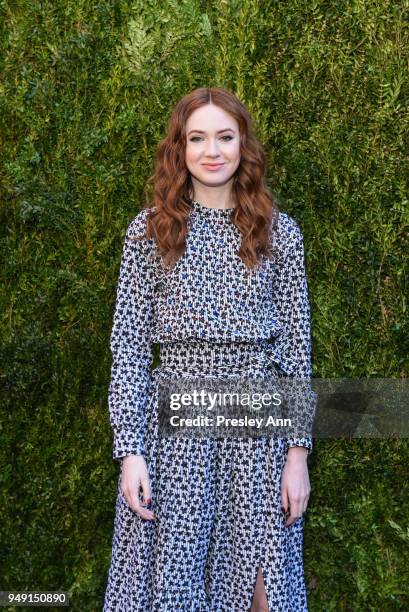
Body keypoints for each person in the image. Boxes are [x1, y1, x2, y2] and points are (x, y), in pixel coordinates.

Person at [103, 86, 314, 612]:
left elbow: (295, 350)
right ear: (180, 149)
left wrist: (297, 455)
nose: (212, 150)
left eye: (225, 136)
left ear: (244, 146)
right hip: (174, 436)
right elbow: (128, 347)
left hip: (257, 435)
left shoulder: (278, 234)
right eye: (198, 138)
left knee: (266, 591)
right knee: (173, 588)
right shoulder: (149, 233)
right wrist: (130, 452)